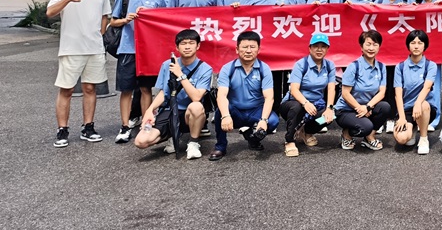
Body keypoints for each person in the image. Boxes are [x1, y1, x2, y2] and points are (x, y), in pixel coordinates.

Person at [47, 0, 112, 148]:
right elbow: (50, 12)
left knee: (90, 88)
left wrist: (99, 35)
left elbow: (105, 16)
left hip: (94, 48)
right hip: (71, 47)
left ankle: (88, 127)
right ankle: (62, 129)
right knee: (66, 89)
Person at [108, 0, 168, 144]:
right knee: (126, 89)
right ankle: (125, 126)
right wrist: (126, 19)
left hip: (148, 50)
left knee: (145, 89)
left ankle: (145, 124)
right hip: (127, 49)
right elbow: (113, 22)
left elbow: (163, 23)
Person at [134, 29, 213, 159]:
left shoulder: (205, 68)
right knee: (141, 141)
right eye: (183, 43)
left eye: (191, 43)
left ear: (198, 46)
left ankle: (193, 142)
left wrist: (180, 74)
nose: (187, 47)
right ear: (177, 47)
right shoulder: (167, 65)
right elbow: (163, 93)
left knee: (196, 106)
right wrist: (149, 110)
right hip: (169, 111)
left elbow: (196, 97)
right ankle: (171, 134)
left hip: (190, 114)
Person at [209, 31, 279, 161]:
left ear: (258, 49)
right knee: (220, 113)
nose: (248, 51)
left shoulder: (264, 69)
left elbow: (269, 97)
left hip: (256, 111)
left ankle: (252, 137)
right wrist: (226, 116)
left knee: (273, 121)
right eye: (245, 47)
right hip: (235, 111)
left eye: (252, 47)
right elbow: (222, 95)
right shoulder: (228, 68)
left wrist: (263, 120)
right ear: (237, 49)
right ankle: (220, 146)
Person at [281, 32, 338, 157]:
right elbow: (294, 89)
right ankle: (289, 140)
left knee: (331, 116)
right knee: (297, 108)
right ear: (310, 48)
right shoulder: (301, 64)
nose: (319, 49)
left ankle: (306, 132)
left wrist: (329, 108)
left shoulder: (329, 66)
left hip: (315, 105)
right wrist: (305, 103)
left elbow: (331, 88)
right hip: (294, 104)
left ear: (327, 49)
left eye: (323, 46)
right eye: (316, 46)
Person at [336, 30, 392, 150]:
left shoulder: (381, 67)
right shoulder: (354, 66)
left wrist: (368, 107)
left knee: (385, 107)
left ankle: (369, 137)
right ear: (361, 47)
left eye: (375, 44)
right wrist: (359, 108)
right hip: (346, 110)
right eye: (368, 44)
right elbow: (345, 93)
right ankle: (346, 134)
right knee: (365, 127)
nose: (371, 48)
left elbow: (382, 92)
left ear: (379, 47)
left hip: (366, 107)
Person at [392, 29, 437, 154]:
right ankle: (413, 128)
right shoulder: (400, 67)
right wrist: (402, 117)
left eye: (420, 43)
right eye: (413, 43)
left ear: (425, 45)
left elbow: (427, 87)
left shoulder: (430, 65)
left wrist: (417, 103)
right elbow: (398, 94)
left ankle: (423, 138)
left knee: (423, 105)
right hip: (407, 109)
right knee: (402, 138)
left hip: (425, 109)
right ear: (408, 45)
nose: (416, 46)